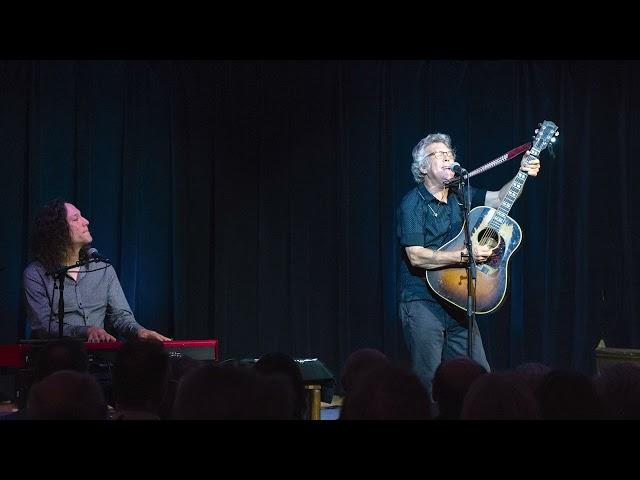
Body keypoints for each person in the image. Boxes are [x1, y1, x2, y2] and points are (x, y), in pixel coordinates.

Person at [396, 132, 540, 399]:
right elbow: (416, 256)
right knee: (427, 381)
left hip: (459, 301)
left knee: (479, 377)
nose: (448, 158)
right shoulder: (412, 204)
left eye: (450, 154)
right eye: (439, 155)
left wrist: (521, 172)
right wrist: (465, 257)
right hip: (422, 302)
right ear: (423, 168)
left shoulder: (460, 195)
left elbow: (499, 199)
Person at [23, 199, 171, 342]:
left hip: (98, 358)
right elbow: (43, 326)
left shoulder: (102, 268)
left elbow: (120, 317)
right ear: (57, 230)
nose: (86, 221)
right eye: (76, 219)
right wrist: (86, 331)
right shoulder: (35, 274)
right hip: (56, 358)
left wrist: (140, 331)